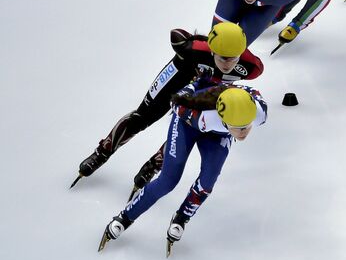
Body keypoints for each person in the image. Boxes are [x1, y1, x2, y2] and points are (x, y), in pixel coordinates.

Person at [73, 22, 263, 187]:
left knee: (187, 126)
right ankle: (102, 152)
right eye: (222, 58)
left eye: (234, 58)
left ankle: (153, 165)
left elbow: (255, 68)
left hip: (206, 86)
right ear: (212, 50)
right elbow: (178, 35)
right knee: (144, 115)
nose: (228, 64)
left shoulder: (251, 67)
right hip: (180, 74)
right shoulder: (193, 49)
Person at [98, 81, 267, 255]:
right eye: (238, 128)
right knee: (168, 180)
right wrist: (196, 85)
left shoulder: (259, 113)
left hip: (218, 132)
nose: (244, 132)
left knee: (208, 180)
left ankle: (182, 216)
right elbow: (176, 103)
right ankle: (126, 217)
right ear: (224, 121)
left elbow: (251, 90)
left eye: (247, 126)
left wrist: (221, 85)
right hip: (188, 124)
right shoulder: (203, 118)